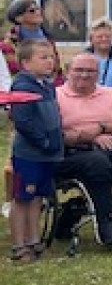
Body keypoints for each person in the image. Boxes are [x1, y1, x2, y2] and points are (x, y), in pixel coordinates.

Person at [56, 52, 112, 245]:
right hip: (71, 153)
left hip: (109, 149)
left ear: (98, 74)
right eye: (79, 70)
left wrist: (102, 128)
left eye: (90, 71)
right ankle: (105, 223)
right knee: (97, 163)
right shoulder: (55, 96)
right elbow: (56, 134)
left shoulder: (111, 94)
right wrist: (91, 137)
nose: (84, 75)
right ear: (67, 72)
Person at [9, 40, 63, 264]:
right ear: (26, 63)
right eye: (43, 57)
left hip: (47, 154)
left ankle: (33, 239)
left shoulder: (47, 86)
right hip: (29, 155)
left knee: (37, 198)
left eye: (51, 57)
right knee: (22, 197)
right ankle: (19, 245)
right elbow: (23, 121)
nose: (50, 61)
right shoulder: (22, 86)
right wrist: (43, 141)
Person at [3, 0, 64, 84]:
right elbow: (11, 71)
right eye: (32, 11)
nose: (38, 13)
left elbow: (56, 68)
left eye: (38, 9)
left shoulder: (48, 38)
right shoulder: (9, 43)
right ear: (18, 18)